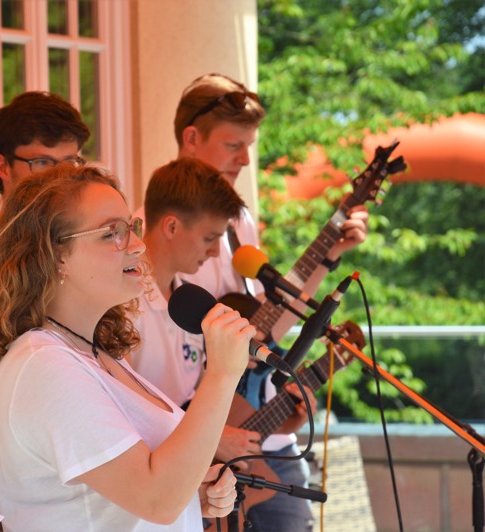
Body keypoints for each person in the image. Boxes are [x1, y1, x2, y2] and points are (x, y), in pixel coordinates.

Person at [0, 165, 251, 531]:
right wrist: (222, 375)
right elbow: (157, 500)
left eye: (132, 227)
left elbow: (134, 493)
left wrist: (191, 490)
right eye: (114, 233)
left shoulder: (96, 355)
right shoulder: (43, 366)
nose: (139, 245)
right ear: (57, 254)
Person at [173, 73, 369, 531]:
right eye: (233, 145)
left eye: (249, 145)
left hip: (264, 439)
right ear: (191, 138)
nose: (245, 158)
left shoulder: (239, 218)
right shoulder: (161, 222)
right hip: (198, 443)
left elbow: (266, 319)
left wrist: (331, 253)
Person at [0, 91, 90, 515]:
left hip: (75, 483)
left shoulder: (66, 246)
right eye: (45, 163)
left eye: (72, 162)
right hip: (18, 497)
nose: (63, 177)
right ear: (2, 167)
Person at [130, 157, 245, 411]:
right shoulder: (122, 301)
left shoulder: (190, 301)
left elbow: (192, 398)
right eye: (209, 238)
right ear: (171, 226)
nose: (216, 252)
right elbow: (119, 403)